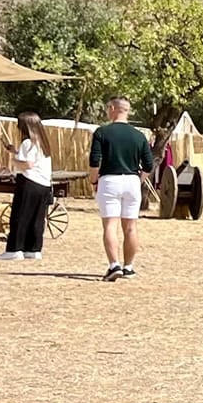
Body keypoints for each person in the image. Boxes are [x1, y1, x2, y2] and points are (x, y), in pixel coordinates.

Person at [88, 96, 151, 281]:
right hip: (131, 180)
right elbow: (148, 165)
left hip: (109, 179)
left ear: (113, 108)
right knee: (131, 226)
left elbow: (94, 160)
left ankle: (114, 264)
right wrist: (138, 180)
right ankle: (129, 266)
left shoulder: (102, 132)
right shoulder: (139, 135)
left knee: (110, 225)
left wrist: (93, 180)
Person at [0, 110, 54, 261]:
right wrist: (15, 152)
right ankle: (33, 249)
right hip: (43, 184)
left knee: (19, 216)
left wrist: (14, 162)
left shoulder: (27, 143)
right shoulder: (43, 142)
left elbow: (27, 164)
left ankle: (14, 249)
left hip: (29, 182)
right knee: (37, 218)